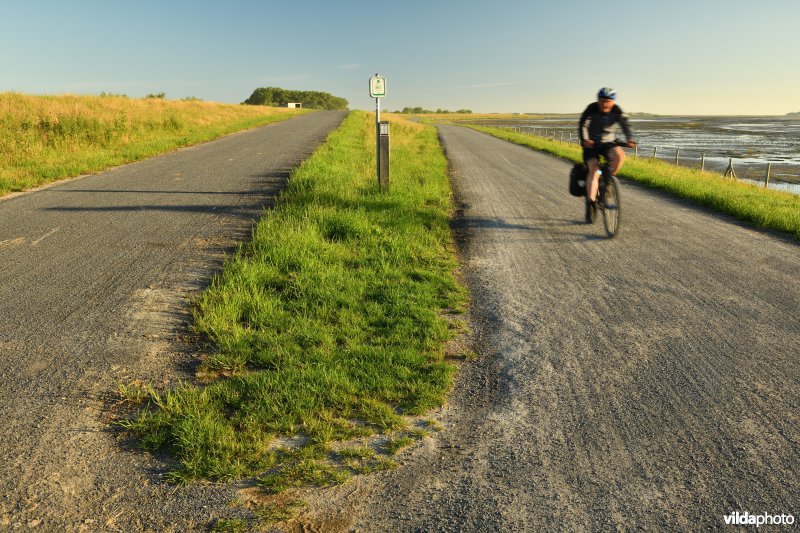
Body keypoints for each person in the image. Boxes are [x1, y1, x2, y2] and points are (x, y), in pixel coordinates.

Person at [578, 87, 636, 223]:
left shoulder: (617, 110)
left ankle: (608, 180)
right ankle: (591, 204)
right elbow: (583, 125)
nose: (605, 104)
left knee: (620, 156)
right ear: (598, 100)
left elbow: (625, 125)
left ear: (613, 102)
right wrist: (585, 139)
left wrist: (629, 138)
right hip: (591, 144)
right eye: (602, 101)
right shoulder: (591, 109)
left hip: (608, 143)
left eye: (608, 101)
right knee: (594, 170)